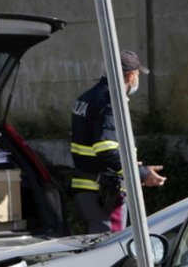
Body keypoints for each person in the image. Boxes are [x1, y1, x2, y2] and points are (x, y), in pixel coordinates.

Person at [70, 50, 166, 233]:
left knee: (98, 246)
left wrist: (134, 166)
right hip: (104, 192)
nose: (138, 79)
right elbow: (106, 149)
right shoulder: (111, 102)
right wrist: (141, 173)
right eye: (138, 74)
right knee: (111, 247)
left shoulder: (86, 97)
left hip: (86, 187)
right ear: (131, 76)